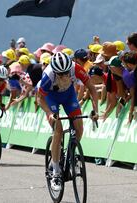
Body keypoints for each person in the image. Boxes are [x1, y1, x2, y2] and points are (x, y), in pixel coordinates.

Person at [37, 52, 99, 191]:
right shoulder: (48, 76)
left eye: (66, 72)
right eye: (61, 73)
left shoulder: (76, 68)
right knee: (58, 131)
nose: (65, 75)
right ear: (54, 70)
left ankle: (72, 155)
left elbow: (92, 89)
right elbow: (39, 99)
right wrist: (50, 113)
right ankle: (56, 172)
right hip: (51, 99)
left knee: (79, 128)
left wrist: (96, 110)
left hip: (69, 96)